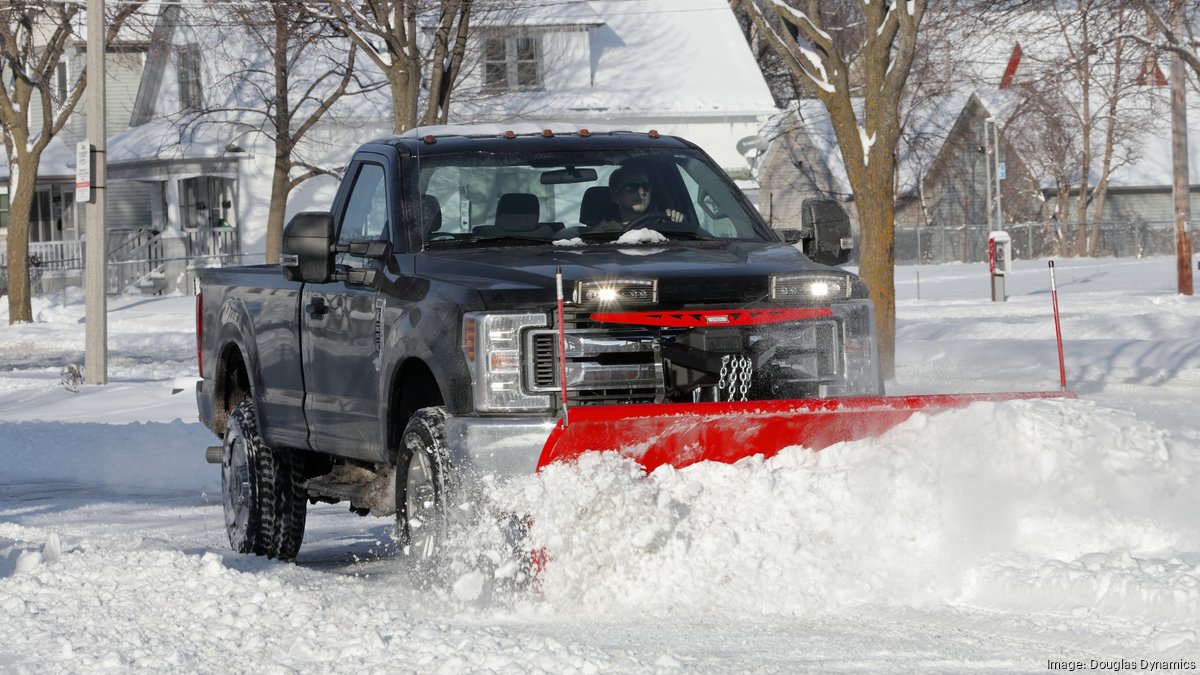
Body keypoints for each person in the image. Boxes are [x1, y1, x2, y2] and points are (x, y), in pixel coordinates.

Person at [589, 165, 683, 233]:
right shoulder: (599, 235)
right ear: (616, 197)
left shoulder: (664, 225)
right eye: (631, 188)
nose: (642, 192)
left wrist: (678, 224)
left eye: (646, 186)